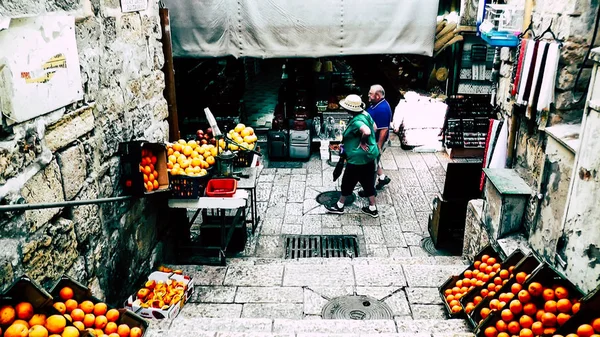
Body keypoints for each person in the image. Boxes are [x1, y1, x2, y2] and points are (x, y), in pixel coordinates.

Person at [325, 94, 380, 218]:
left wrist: (362, 141)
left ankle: (339, 206)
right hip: (369, 156)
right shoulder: (366, 114)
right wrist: (368, 141)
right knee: (367, 182)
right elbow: (375, 128)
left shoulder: (357, 121)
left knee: (347, 182)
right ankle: (372, 207)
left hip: (357, 159)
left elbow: (367, 131)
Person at [359, 85, 392, 197]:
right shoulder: (377, 104)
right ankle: (382, 178)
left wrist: (378, 146)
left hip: (376, 142)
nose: (368, 95)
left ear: (377, 96)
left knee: (370, 167)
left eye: (370, 94)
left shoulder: (382, 109)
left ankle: (370, 191)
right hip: (373, 140)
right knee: (374, 161)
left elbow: (383, 130)